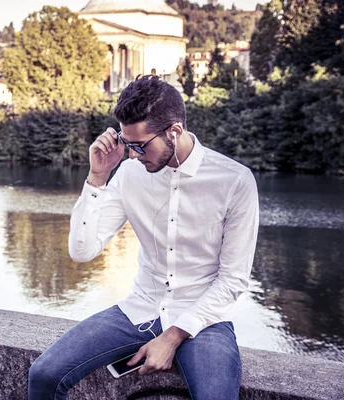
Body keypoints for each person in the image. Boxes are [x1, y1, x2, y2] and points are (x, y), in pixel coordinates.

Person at [28, 75, 259, 400]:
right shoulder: (129, 173)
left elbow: (232, 280)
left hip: (203, 319)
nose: (132, 155)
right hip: (140, 309)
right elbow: (82, 251)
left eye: (139, 145)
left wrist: (174, 335)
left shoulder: (234, 181)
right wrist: (98, 177)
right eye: (128, 144)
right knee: (44, 374)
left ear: (174, 131)